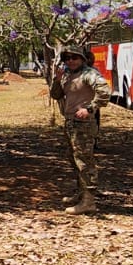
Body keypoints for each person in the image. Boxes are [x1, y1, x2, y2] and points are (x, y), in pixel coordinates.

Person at [49, 46, 111, 214]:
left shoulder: (89, 74)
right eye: (67, 58)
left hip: (83, 124)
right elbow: (56, 95)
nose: (70, 61)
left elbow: (105, 92)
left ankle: (89, 201)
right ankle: (81, 193)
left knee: (85, 162)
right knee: (74, 160)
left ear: (82, 59)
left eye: (74, 57)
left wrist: (90, 109)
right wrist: (57, 79)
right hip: (70, 122)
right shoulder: (68, 74)